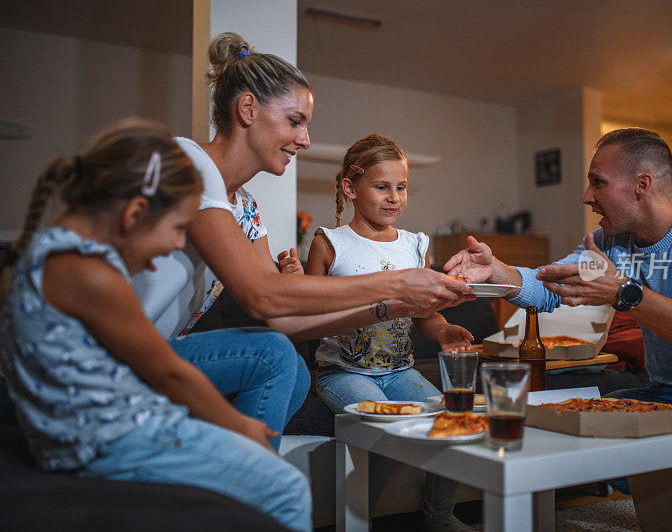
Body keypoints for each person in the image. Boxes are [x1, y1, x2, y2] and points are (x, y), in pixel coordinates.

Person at [130, 33, 472, 447]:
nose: (305, 140)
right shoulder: (189, 164)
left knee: (288, 363)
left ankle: (233, 471)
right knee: (274, 355)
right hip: (121, 349)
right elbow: (264, 296)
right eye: (295, 121)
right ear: (248, 109)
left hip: (161, 352)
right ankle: (243, 480)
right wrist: (399, 282)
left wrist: (394, 307)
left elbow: (284, 320)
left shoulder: (247, 210)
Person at [445, 128, 672, 491]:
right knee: (578, 420)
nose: (587, 197)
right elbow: (550, 284)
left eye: (598, 183)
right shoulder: (611, 242)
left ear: (642, 185)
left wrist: (624, 292)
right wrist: (495, 270)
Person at [0, 119, 312, 530]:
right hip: (117, 438)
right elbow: (168, 373)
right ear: (135, 213)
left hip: (90, 434)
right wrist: (241, 428)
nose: (178, 245)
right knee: (287, 489)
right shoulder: (90, 274)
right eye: (179, 229)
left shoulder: (48, 254)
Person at [306, 134, 475, 531]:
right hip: (342, 374)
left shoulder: (415, 246)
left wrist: (445, 331)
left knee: (453, 421)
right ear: (350, 188)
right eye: (382, 187)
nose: (394, 197)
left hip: (399, 371)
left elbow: (425, 317)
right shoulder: (329, 244)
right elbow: (306, 315)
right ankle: (357, 523)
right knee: (380, 431)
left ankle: (439, 519)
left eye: (401, 188)